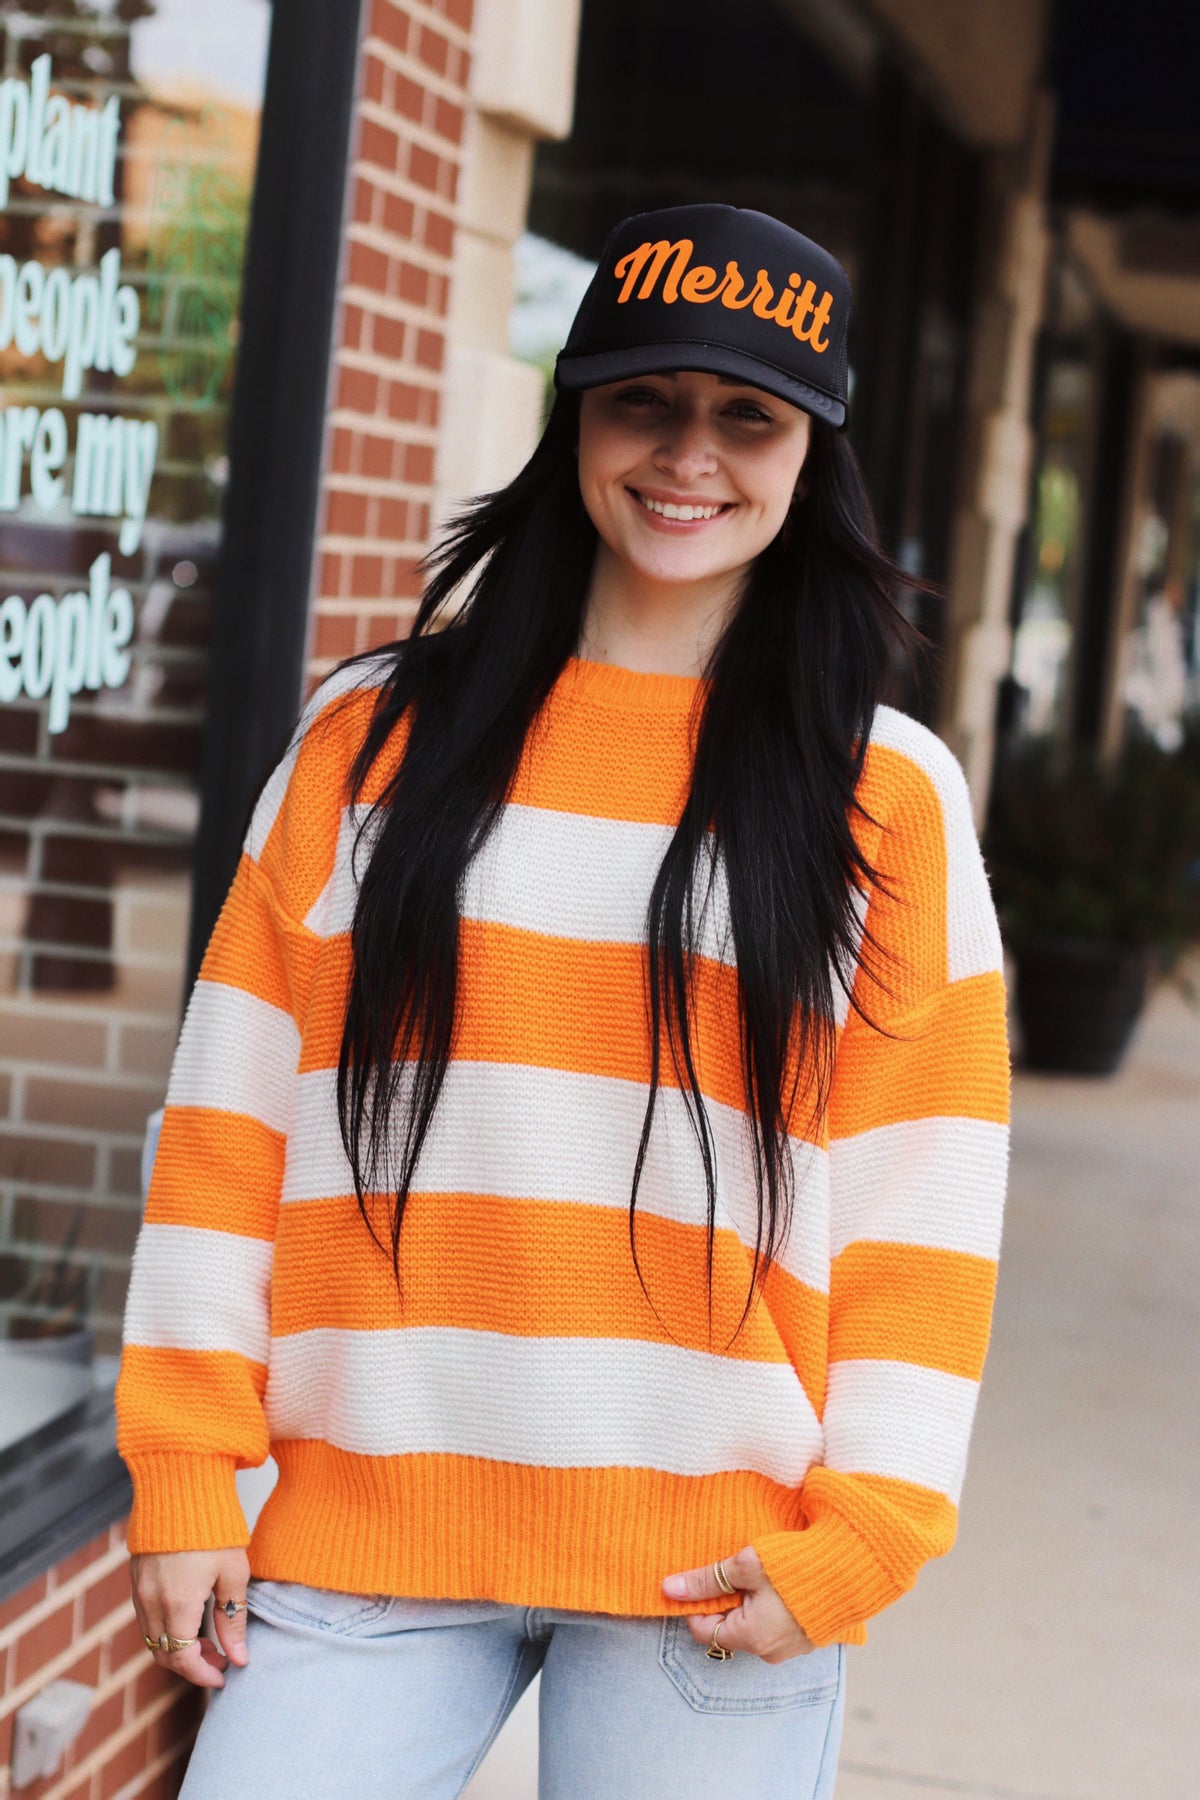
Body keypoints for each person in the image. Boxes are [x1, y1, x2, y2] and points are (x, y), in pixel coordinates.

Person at [116, 204, 1010, 1798]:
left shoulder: (887, 795)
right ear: (574, 421)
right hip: (370, 1534)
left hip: (717, 1576)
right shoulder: (370, 739)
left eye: (749, 415)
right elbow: (229, 1114)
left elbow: (922, 1205)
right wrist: (186, 1465)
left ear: (815, 452)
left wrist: (874, 1532)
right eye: (643, 401)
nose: (690, 456)